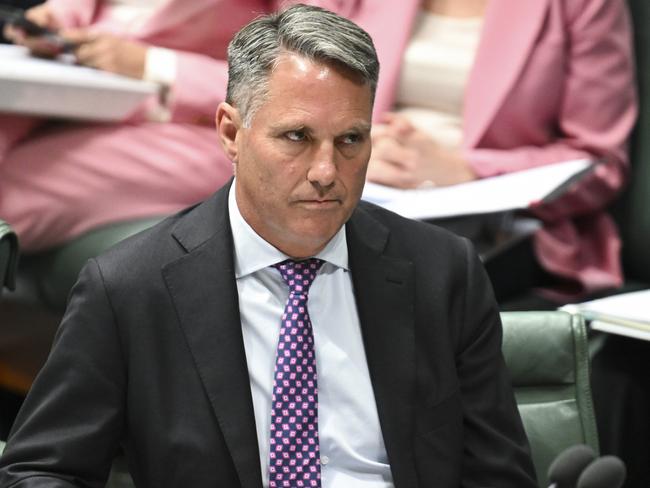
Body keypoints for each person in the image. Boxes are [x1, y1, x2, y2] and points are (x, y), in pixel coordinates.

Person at [0, 5, 537, 487]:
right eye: (297, 138)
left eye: (350, 140)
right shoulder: (128, 288)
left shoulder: (443, 272)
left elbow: (498, 473)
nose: (327, 172)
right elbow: (41, 471)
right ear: (231, 133)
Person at [334, 0, 637, 301]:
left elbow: (601, 163)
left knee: (398, 284)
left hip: (496, 225)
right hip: (357, 191)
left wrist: (468, 170)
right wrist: (349, 150)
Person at [0, 0, 272, 252]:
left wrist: (153, 64)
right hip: (74, 73)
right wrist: (61, 14)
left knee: (15, 189)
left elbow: (299, 76)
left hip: (200, 124)